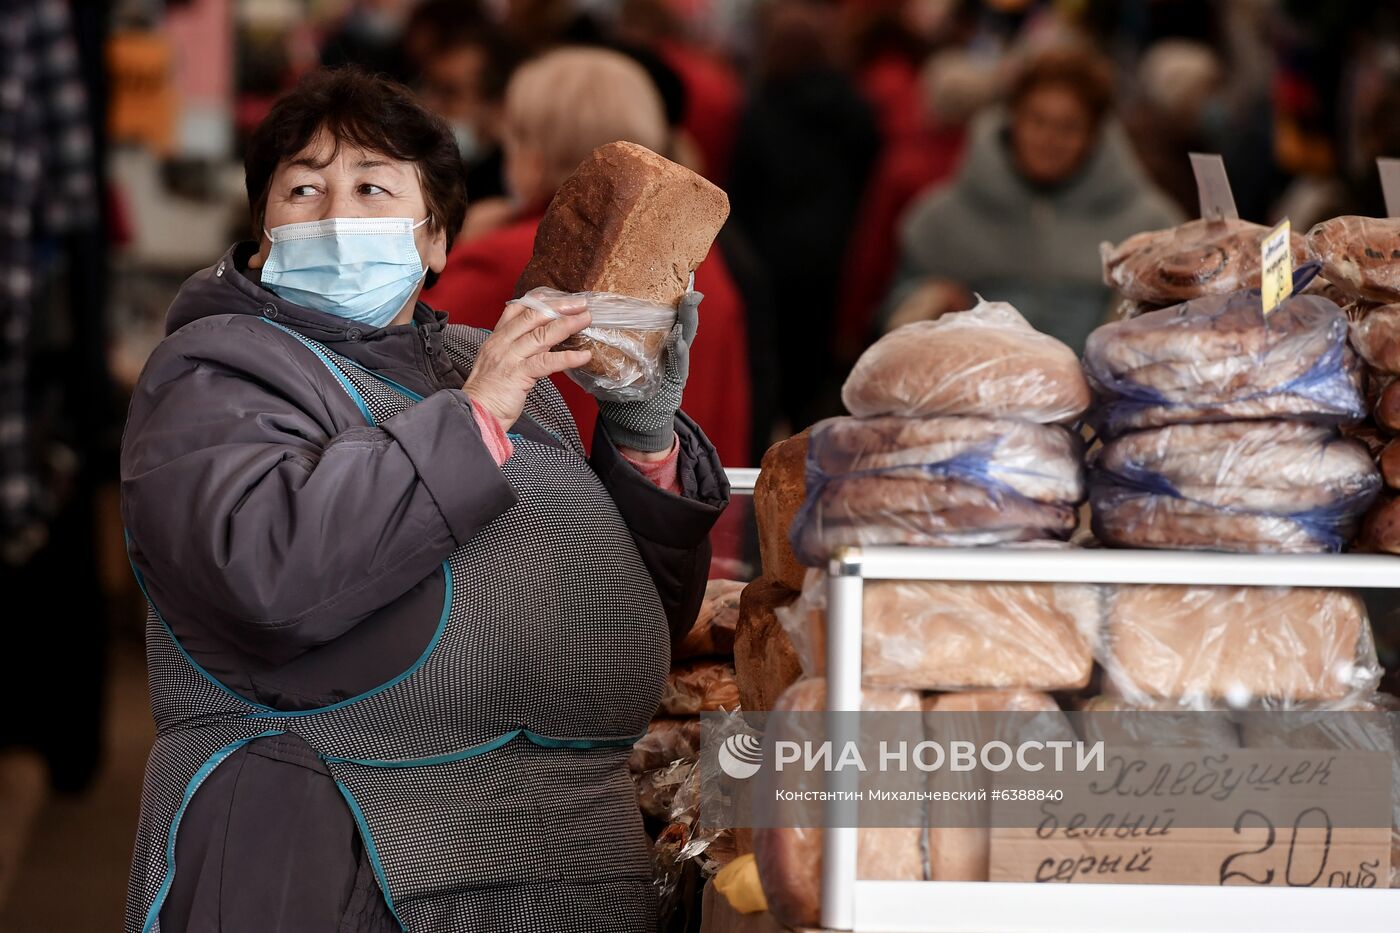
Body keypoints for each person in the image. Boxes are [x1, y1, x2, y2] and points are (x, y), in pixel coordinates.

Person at [121, 68, 727, 932]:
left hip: (569, 868)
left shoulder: (503, 368)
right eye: (303, 188)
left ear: (436, 237)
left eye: (372, 185)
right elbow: (266, 573)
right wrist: (477, 414)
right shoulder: (212, 373)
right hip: (336, 859)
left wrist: (642, 438)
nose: (336, 213)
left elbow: (628, 613)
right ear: (262, 234)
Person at [424, 47, 755, 465]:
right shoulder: (704, 266)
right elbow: (732, 412)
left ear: (533, 156)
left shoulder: (500, 261)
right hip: (670, 494)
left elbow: (412, 373)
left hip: (540, 509)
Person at [886, 47, 1181, 350]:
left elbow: (1181, 323)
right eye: (1036, 120)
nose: (1049, 139)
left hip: (1099, 390)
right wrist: (930, 301)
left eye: (1069, 127)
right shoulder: (939, 220)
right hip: (974, 385)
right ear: (1012, 121)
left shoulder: (1151, 225)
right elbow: (893, 308)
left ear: (1095, 136)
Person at [408, 0, 520, 204]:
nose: (431, 104)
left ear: (498, 105)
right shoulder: (422, 175)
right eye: (431, 87)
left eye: (450, 92)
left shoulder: (513, 192)